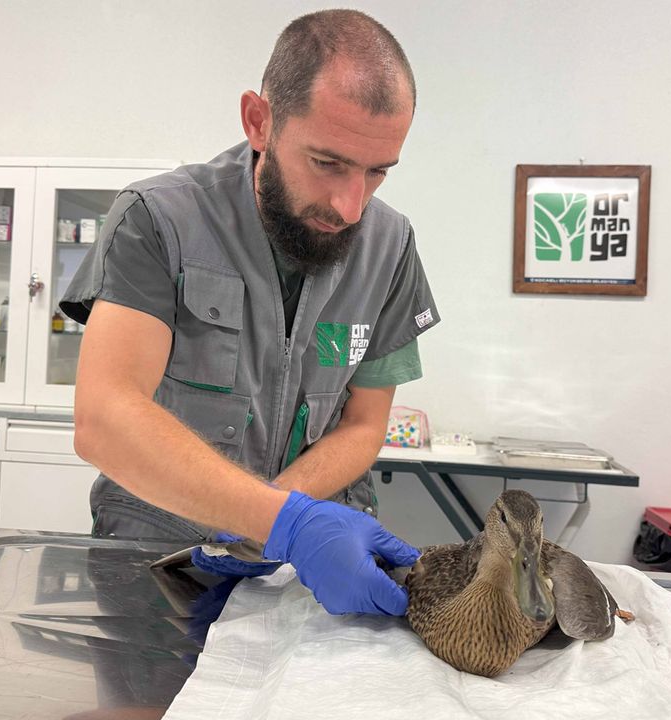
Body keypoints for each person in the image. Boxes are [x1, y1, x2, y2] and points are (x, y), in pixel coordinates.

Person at [60, 9, 440, 617]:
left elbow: (365, 424)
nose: (350, 207)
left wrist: (282, 519)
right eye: (328, 163)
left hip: (306, 566)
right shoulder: (158, 219)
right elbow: (105, 418)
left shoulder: (390, 246)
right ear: (260, 121)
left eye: (377, 172)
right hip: (161, 558)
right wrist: (282, 520)